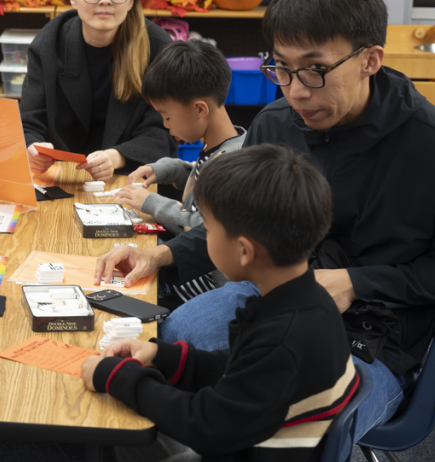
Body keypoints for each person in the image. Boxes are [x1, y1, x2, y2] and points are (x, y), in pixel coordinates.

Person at [94, 0, 435, 442]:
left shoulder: (425, 141)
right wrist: (160, 254)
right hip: (276, 295)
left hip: (378, 330)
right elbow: (235, 223)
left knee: (295, 422)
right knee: (173, 337)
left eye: (314, 70)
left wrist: (358, 282)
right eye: (281, 68)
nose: (295, 91)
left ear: (370, 60)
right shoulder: (277, 124)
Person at [82, 145, 358, 462]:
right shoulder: (306, 301)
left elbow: (207, 425)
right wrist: (163, 355)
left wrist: (119, 377)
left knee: (127, 411)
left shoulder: (282, 337)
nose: (204, 237)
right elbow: (240, 371)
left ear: (244, 251)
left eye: (208, 230)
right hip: (248, 436)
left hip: (240, 449)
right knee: (134, 411)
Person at [22, 0, 175, 183]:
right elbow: (29, 120)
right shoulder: (49, 42)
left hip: (130, 176)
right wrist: (33, 145)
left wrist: (116, 157)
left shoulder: (159, 49)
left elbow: (164, 134)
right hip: (62, 175)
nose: (105, 0)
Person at [116, 40, 244, 243]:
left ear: (200, 109)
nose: (165, 124)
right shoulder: (220, 147)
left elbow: (204, 228)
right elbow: (204, 188)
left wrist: (152, 203)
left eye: (167, 116)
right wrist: (170, 169)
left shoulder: (233, 164)